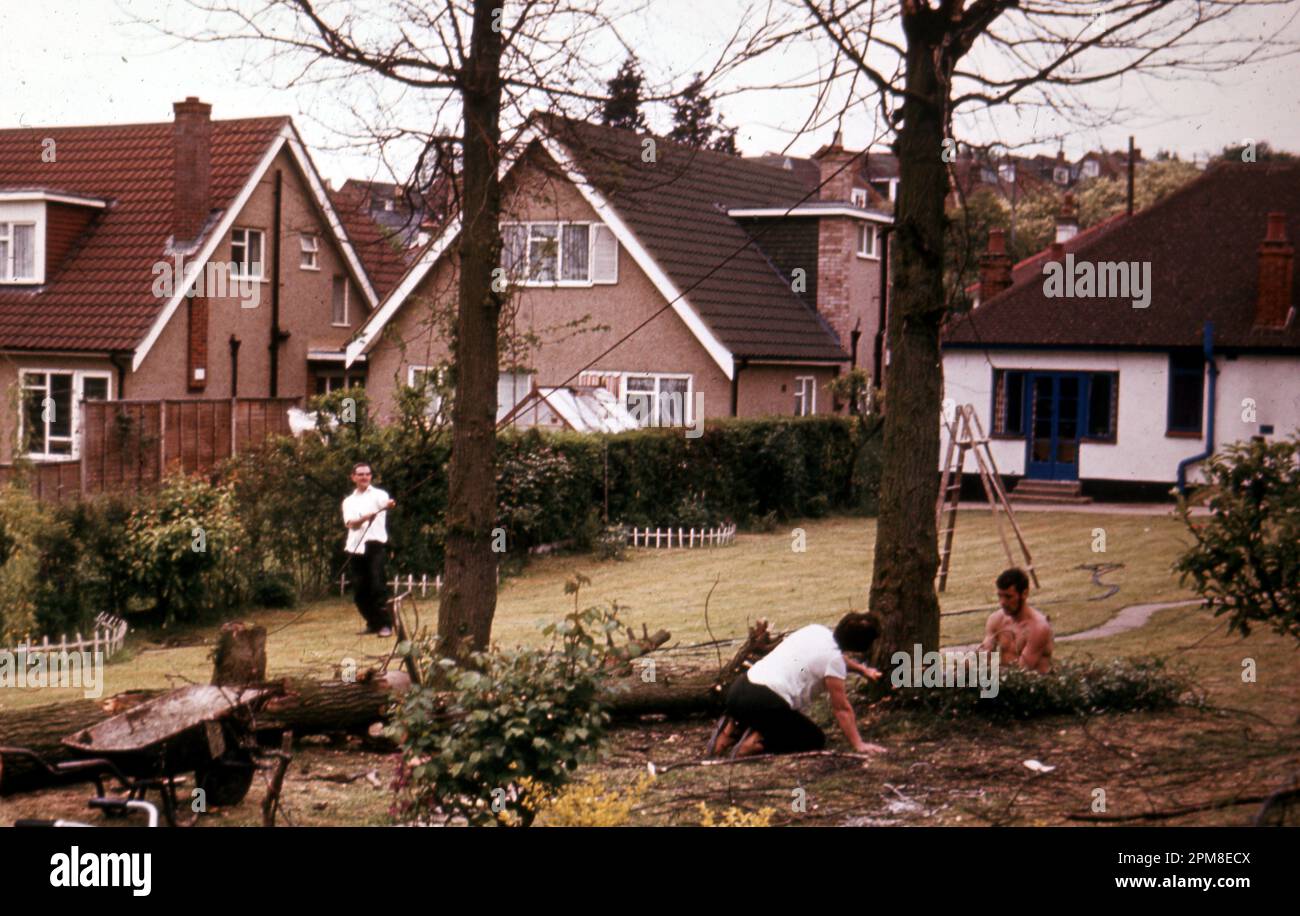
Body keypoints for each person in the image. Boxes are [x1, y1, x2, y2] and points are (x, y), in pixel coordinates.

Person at [710, 612, 888, 758]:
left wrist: (863, 670)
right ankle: (752, 744)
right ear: (861, 645)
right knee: (813, 739)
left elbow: (833, 658)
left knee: (762, 713)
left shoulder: (816, 631)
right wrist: (858, 743)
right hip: (764, 702)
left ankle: (731, 727)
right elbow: (841, 709)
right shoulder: (834, 662)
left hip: (740, 688)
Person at [342, 461, 396, 636]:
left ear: (371, 476)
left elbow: (387, 502)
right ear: (353, 477)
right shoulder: (348, 501)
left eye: (367, 474)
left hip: (375, 546)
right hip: (355, 548)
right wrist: (365, 517)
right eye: (360, 474)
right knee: (359, 591)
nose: (364, 477)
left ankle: (386, 625)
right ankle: (373, 623)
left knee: (377, 586)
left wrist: (389, 504)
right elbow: (351, 523)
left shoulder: (379, 494)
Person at [979, 567, 1054, 673]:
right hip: (1005, 684)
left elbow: (1020, 673)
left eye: (1008, 597)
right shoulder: (996, 619)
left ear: (1024, 594)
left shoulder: (1038, 628)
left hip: (1032, 686)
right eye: (1000, 596)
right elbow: (984, 654)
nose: (1002, 602)